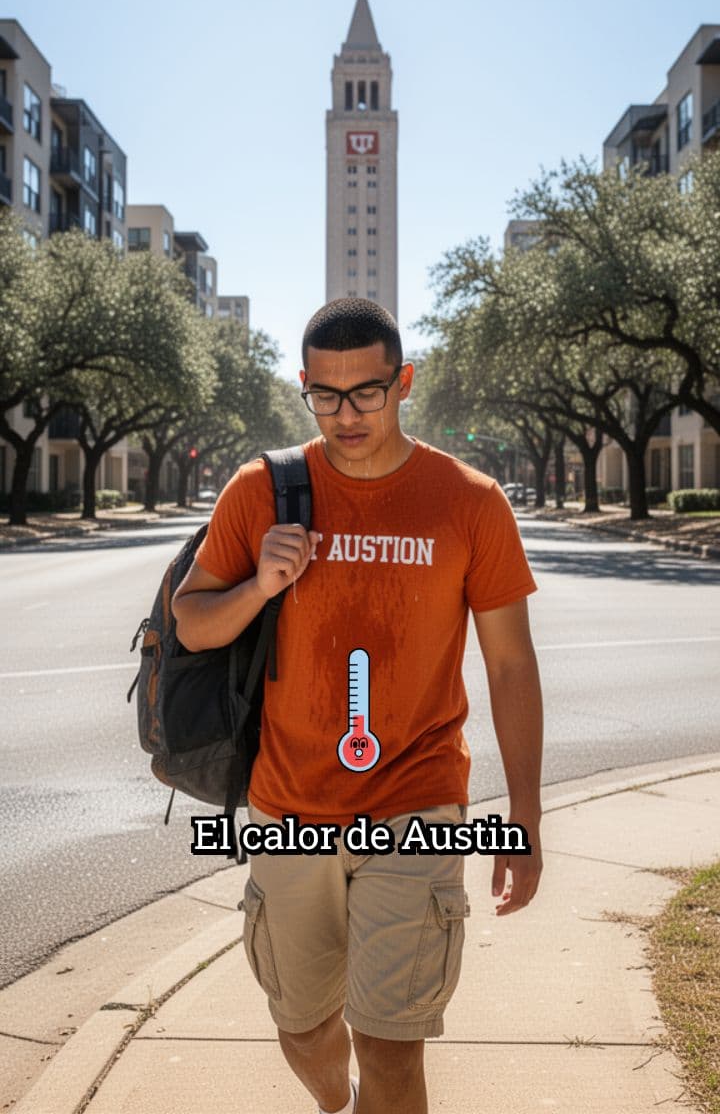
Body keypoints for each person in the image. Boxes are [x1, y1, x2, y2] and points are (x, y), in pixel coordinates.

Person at [173, 297, 543, 1114]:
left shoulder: (469, 500)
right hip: (289, 807)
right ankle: (334, 1101)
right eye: (326, 395)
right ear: (304, 387)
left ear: (403, 381)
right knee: (304, 1027)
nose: (346, 415)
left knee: (391, 1044)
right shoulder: (260, 491)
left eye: (367, 392)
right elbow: (191, 625)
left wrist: (524, 818)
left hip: (418, 802)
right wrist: (260, 584)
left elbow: (511, 665)